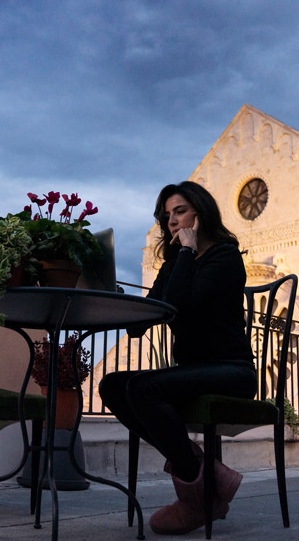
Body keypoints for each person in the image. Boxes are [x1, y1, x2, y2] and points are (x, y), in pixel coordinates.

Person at [99, 181, 256, 535]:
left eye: (179, 211)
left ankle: (193, 496)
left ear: (200, 213)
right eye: (166, 215)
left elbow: (180, 306)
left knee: (142, 389)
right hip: (193, 371)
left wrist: (185, 252)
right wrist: (111, 298)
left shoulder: (224, 256)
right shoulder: (173, 266)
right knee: (111, 385)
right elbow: (146, 322)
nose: (171, 221)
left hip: (232, 371)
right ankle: (207, 477)